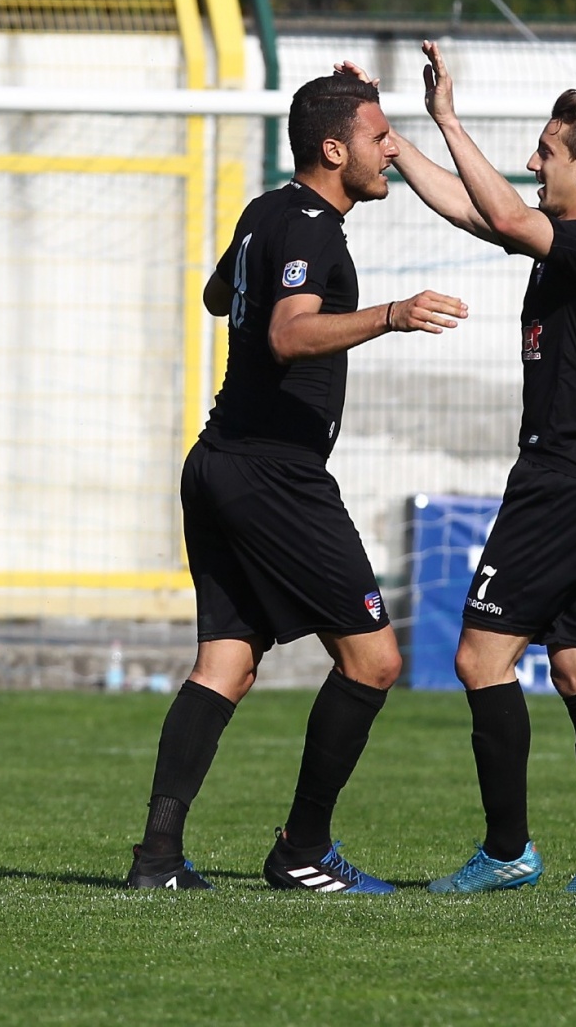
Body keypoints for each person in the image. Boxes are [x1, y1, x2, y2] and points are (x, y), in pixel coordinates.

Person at [125, 73, 469, 893]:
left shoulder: (266, 213)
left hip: (217, 461)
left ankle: (157, 860)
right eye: (380, 135)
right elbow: (287, 334)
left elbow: (220, 295)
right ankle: (304, 850)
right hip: (274, 474)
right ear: (333, 149)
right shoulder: (316, 228)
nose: (392, 148)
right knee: (376, 660)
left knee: (228, 663)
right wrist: (389, 313)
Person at [353, 42, 576, 895]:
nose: (532, 163)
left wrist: (447, 119)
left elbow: (509, 218)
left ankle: (509, 849)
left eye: (546, 153)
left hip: (561, 480)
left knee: (481, 660)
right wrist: (399, 145)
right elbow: (480, 215)